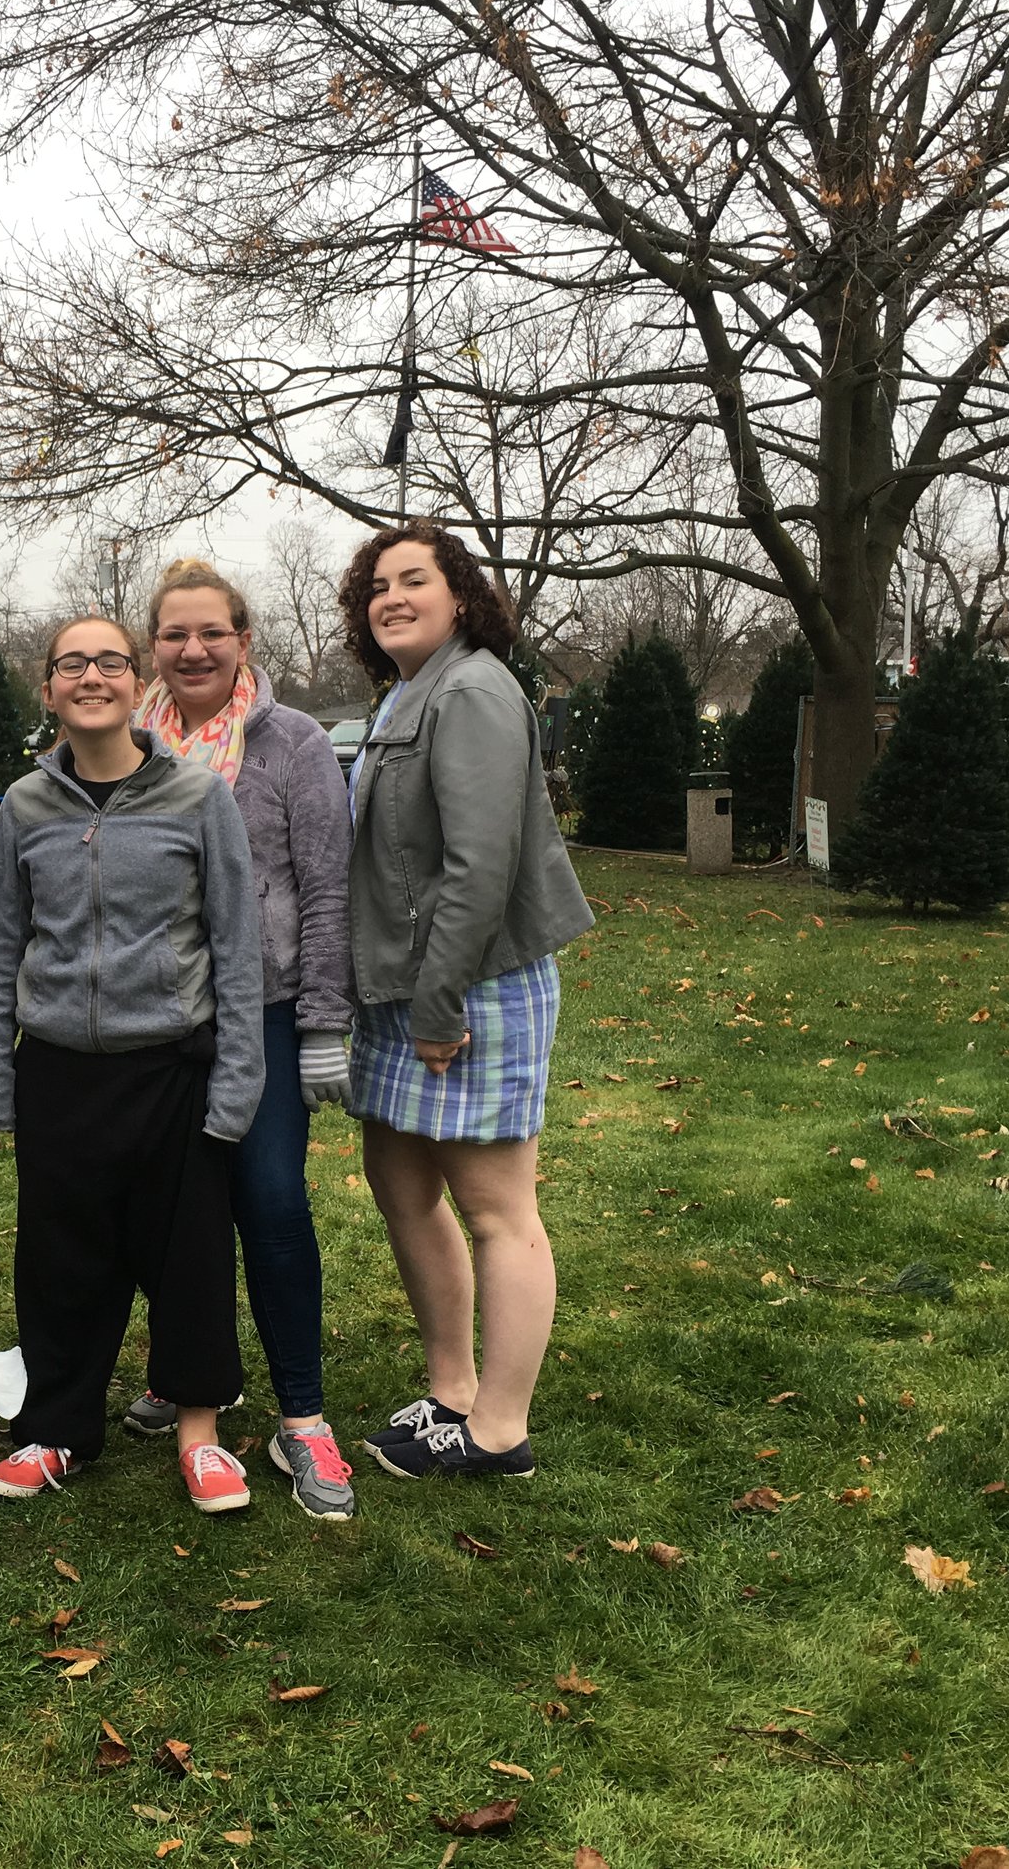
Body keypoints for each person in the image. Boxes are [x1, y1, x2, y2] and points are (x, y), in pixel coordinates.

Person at [0, 614, 267, 1513]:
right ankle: (57, 1428)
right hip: (58, 1071)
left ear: (139, 684)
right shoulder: (24, 808)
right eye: (70, 664)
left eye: (108, 661)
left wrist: (236, 1082)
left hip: (173, 1070)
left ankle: (201, 1434)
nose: (90, 676)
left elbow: (237, 947)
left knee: (191, 1257)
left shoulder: (198, 798)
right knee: (61, 1261)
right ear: (49, 688)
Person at [340, 522, 593, 1481]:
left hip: (469, 984)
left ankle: (499, 1429)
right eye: (378, 586)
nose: (393, 596)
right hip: (408, 983)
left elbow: (480, 868)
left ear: (461, 598)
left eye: (416, 579)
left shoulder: (477, 687)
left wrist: (440, 1003)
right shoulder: (411, 689)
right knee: (401, 1183)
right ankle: (450, 1389)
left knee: (497, 1208)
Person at [116, 559, 359, 1522]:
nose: (193, 649)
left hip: (262, 1010)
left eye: (211, 631)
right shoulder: (128, 744)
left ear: (243, 639)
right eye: (174, 634)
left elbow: (330, 888)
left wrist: (324, 1024)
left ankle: (302, 1411)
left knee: (268, 1199)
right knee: (178, 1211)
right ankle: (193, 1377)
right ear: (154, 646)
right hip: (163, 1017)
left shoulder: (292, 743)